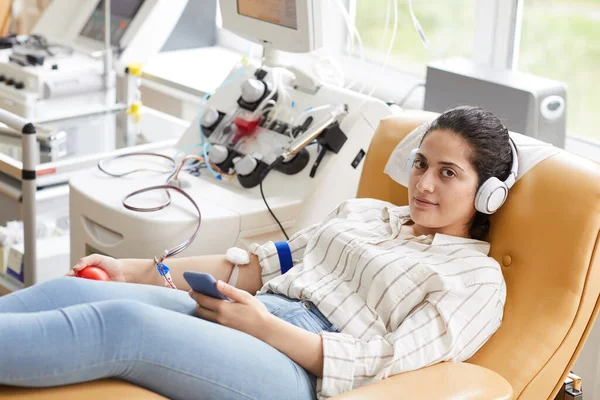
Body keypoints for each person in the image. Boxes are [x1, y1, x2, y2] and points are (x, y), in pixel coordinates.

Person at [0, 106, 511, 400]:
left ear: (487, 192)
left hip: (305, 372)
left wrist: (267, 328)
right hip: (258, 314)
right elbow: (257, 266)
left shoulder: (476, 279)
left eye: (448, 173)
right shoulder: (367, 214)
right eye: (421, 164)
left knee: (122, 327)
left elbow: (388, 361)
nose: (423, 184)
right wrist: (131, 269)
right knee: (81, 289)